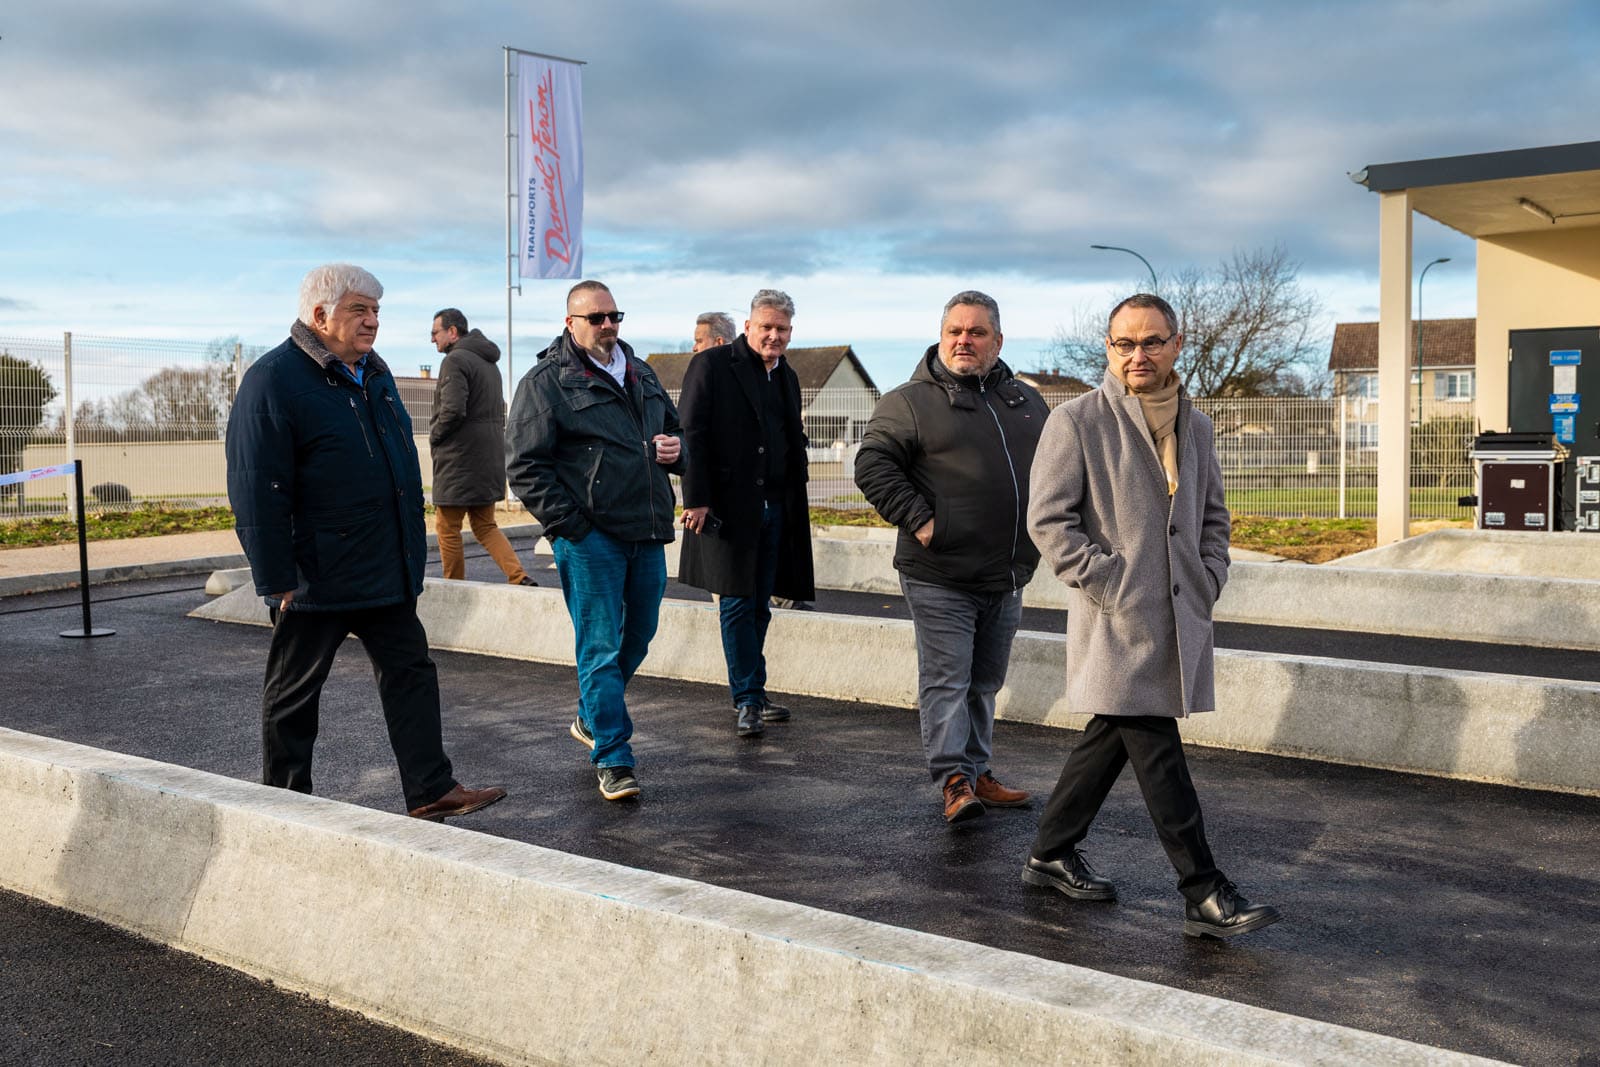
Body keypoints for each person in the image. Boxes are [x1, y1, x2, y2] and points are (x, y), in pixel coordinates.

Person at [1023, 292, 1279, 939]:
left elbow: (1213, 516)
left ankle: (1050, 851)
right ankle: (1202, 888)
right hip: (1117, 618)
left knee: (1114, 732)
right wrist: (1110, 583)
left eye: (1152, 341)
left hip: (1178, 615)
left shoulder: (1197, 426)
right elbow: (1049, 521)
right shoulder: (1076, 421)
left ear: (1176, 344)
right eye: (1125, 343)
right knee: (1155, 742)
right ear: (1108, 348)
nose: (1138, 354)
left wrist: (1209, 576)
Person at [225, 263, 506, 822]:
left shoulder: (373, 374)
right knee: (294, 694)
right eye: (360, 309)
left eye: (376, 310)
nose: (373, 321)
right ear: (320, 314)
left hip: (383, 565)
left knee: (412, 674)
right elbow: (257, 487)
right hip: (315, 573)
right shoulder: (273, 380)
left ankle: (430, 787)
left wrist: (409, 553)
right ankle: (284, 803)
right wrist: (276, 577)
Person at [854, 291, 1047, 824]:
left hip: (1007, 573)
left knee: (985, 683)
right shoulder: (909, 401)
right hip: (940, 573)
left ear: (997, 341)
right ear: (941, 337)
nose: (964, 341)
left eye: (976, 332)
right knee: (948, 680)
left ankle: (978, 770)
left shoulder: (1026, 402)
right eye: (954, 332)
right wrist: (923, 522)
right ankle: (954, 780)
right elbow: (872, 465)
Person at [505, 280, 684, 801]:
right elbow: (524, 466)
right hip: (589, 538)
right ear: (571, 323)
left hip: (646, 529)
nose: (608, 325)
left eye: (614, 316)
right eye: (596, 317)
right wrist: (571, 526)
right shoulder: (546, 382)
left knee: (640, 634)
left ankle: (590, 715)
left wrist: (679, 451)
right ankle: (613, 754)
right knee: (600, 645)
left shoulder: (642, 372)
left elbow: (677, 435)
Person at [678, 290, 816, 737]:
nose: (774, 335)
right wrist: (696, 498)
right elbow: (691, 432)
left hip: (776, 507)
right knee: (736, 602)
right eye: (766, 327)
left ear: (790, 332)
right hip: (727, 508)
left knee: (761, 604)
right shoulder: (712, 365)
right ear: (748, 327)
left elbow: (789, 435)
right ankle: (747, 700)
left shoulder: (787, 375)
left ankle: (753, 688)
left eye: (782, 329)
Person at [428, 308, 535, 586]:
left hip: (458, 459)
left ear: (452, 332)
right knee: (485, 525)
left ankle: (454, 587)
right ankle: (518, 576)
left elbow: (453, 410)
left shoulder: (454, 360)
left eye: (435, 333)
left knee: (447, 527)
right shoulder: (489, 363)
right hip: (489, 457)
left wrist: (435, 436)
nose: (432, 339)